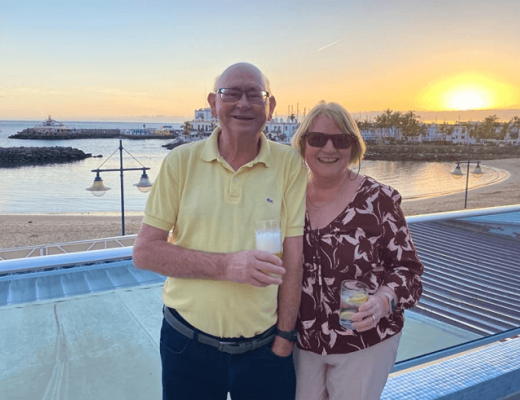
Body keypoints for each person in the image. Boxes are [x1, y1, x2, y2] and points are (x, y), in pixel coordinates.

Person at [133, 62, 307, 400]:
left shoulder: (289, 165)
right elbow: (145, 252)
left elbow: (294, 260)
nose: (243, 103)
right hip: (187, 345)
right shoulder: (179, 162)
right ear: (214, 103)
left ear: (270, 108)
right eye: (232, 93)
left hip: (266, 349)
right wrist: (227, 266)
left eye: (255, 95)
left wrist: (286, 337)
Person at [291, 102, 424, 400]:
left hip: (364, 342)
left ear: (354, 147)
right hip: (303, 342)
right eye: (317, 138)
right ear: (303, 143)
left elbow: (410, 272)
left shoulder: (379, 200)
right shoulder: (289, 195)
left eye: (341, 140)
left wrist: (382, 302)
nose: (329, 148)